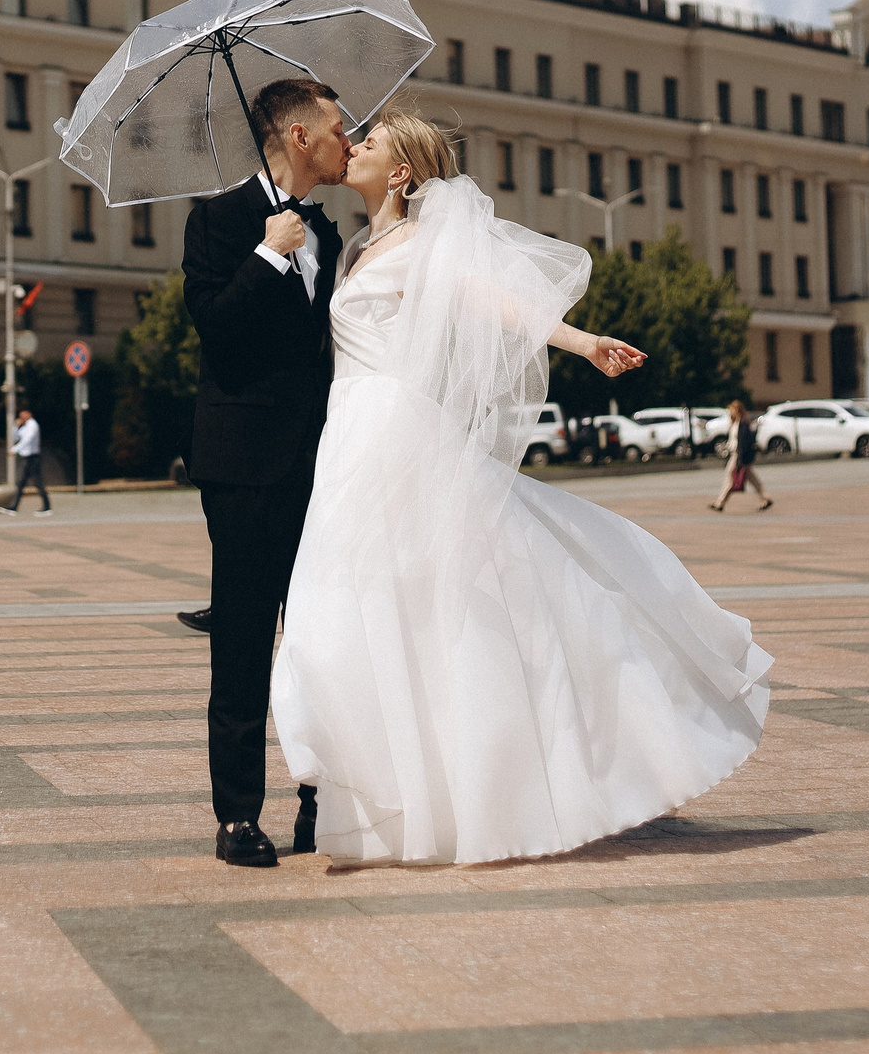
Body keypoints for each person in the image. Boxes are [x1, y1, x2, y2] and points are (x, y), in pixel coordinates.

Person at [271, 110, 773, 867]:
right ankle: (386, 791)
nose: (354, 147)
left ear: (402, 172)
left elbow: (497, 301)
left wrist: (582, 342)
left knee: (380, 599)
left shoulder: (421, 243)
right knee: (369, 603)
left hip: (393, 433)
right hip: (350, 434)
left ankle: (364, 755)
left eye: (369, 143)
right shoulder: (350, 250)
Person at [181, 77, 349, 868]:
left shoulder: (333, 234)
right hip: (243, 466)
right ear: (298, 137)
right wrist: (264, 254)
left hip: (322, 466)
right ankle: (238, 817)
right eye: (338, 128)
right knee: (246, 640)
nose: (349, 141)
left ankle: (320, 802)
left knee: (321, 639)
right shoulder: (218, 220)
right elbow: (215, 332)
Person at [710, 398, 770, 512]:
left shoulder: (743, 423)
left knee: (729, 477)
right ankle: (766, 498)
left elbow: (743, 442)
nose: (730, 412)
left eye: (731, 410)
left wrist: (740, 459)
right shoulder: (735, 423)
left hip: (739, 455)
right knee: (752, 479)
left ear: (737, 410)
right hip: (736, 454)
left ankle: (720, 502)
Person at [4, 409, 51, 514]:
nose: (21, 417)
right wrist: (15, 426)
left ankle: (47, 507)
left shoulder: (32, 425)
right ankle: (14, 507)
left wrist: (14, 449)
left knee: (37, 482)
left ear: (29, 414)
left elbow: (27, 440)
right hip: (26, 458)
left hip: (33, 458)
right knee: (20, 482)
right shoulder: (24, 427)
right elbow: (16, 437)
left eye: (23, 415)